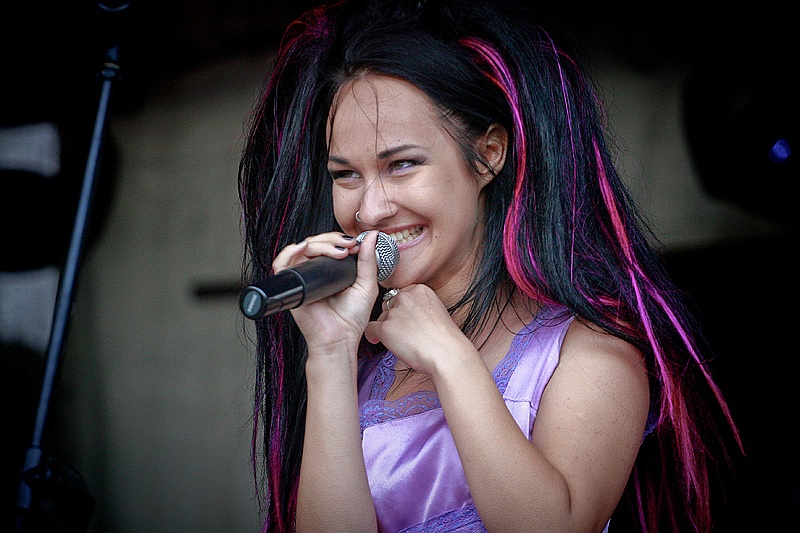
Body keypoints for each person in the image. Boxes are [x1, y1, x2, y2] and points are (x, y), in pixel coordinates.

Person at [238, 0, 742, 531]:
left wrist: (448, 355)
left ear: (489, 156)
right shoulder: (363, 367)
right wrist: (330, 353)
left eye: (401, 164)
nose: (369, 209)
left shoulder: (591, 355)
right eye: (346, 175)